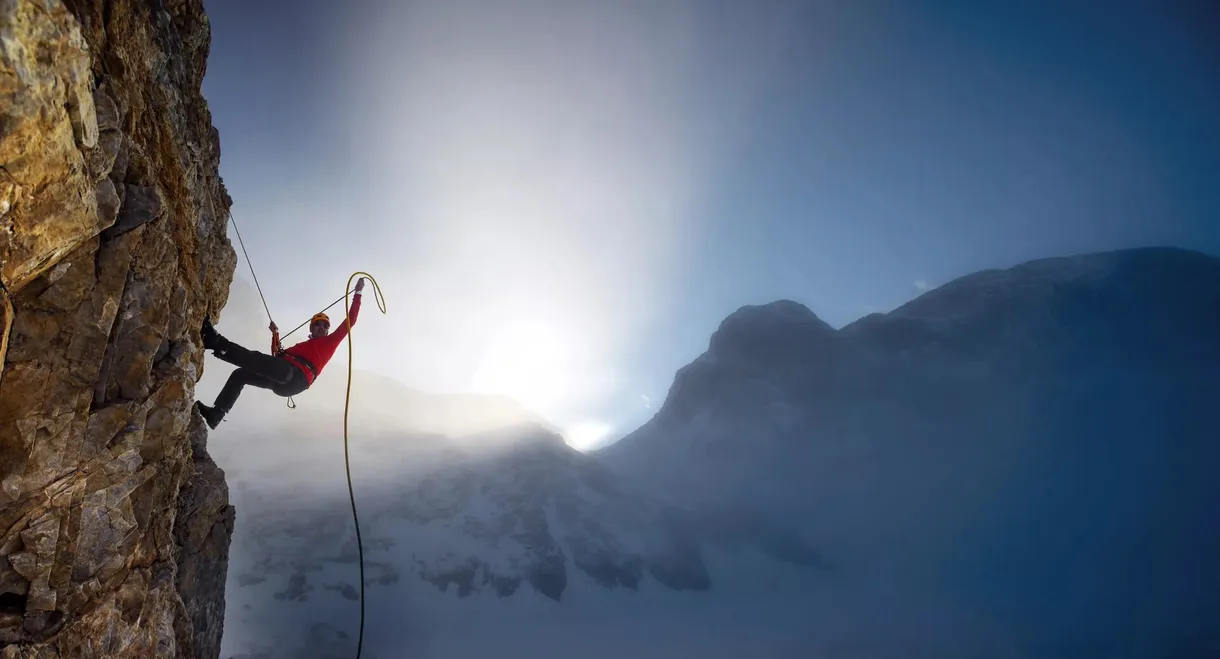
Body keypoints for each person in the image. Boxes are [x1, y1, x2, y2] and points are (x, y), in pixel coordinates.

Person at [193, 277, 366, 429]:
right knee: (240, 375)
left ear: (328, 331)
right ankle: (217, 414)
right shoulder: (301, 347)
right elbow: (277, 355)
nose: (322, 327)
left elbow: (351, 321)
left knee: (255, 359)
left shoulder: (330, 342)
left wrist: (357, 293)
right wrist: (275, 334)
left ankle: (214, 341)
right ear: (312, 328)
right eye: (318, 324)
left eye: (325, 326)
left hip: (296, 376)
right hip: (286, 382)